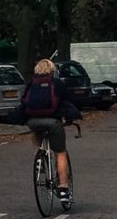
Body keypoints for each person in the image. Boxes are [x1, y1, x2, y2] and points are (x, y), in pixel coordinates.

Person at [21, 58, 80, 200]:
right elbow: (69, 101)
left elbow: (23, 102)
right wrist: (70, 118)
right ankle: (64, 188)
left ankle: (38, 157)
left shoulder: (31, 84)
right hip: (53, 122)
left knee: (35, 131)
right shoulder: (57, 83)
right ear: (52, 71)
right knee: (60, 153)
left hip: (33, 121)